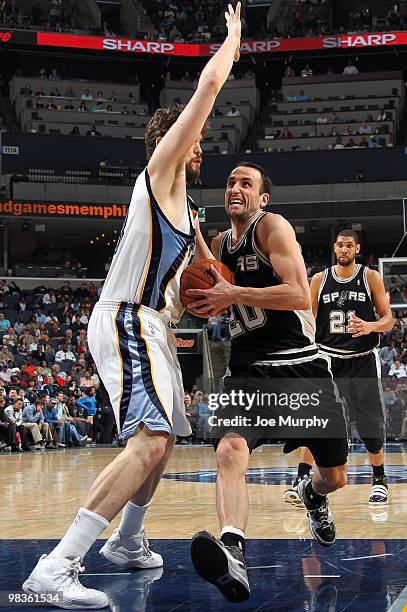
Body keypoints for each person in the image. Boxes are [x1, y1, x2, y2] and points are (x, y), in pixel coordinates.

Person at [23, 4, 242, 608]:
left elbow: (206, 269)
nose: (202, 147)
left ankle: (127, 541)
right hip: (125, 316)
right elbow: (209, 85)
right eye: (195, 139)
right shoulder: (161, 171)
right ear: (176, 141)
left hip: (151, 323)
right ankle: (57, 565)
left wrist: (215, 292)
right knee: (146, 440)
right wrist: (233, 39)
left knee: (165, 438)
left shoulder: (187, 208)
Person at [185, 162, 348, 602]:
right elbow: (209, 276)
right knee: (229, 449)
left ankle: (312, 495)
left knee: (335, 477)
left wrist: (233, 294)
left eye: (246, 183)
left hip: (299, 366)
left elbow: (299, 293)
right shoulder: (219, 243)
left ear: (262, 198)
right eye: (231, 182)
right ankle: (232, 548)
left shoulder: (271, 227)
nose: (235, 188)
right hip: (247, 370)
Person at [284, 229, 393, 507]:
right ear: (335, 248)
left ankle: (379, 479)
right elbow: (308, 320)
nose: (344, 250)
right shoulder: (319, 279)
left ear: (357, 248)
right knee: (316, 420)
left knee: (369, 425)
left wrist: (370, 326)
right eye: (340, 245)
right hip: (328, 359)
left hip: (362, 358)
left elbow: (388, 320)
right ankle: (301, 478)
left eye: (349, 246)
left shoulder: (370, 278)